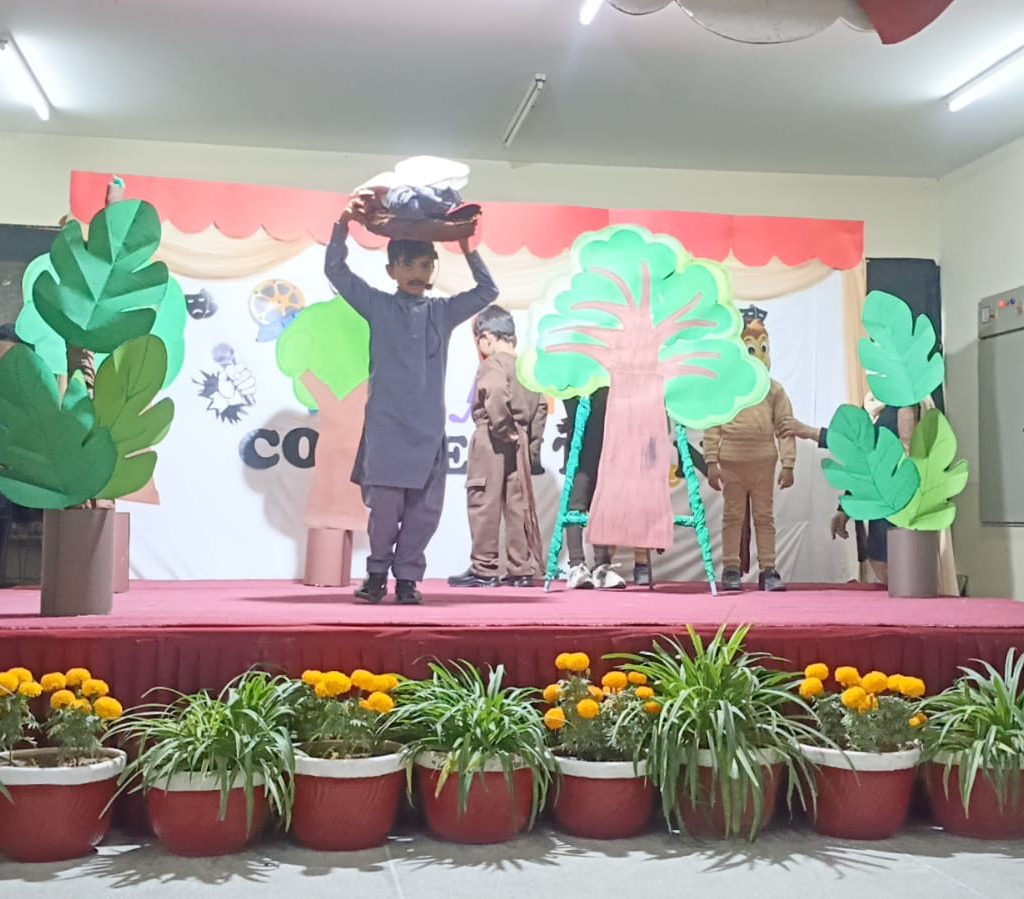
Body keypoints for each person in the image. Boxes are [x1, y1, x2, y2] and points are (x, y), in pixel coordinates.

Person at [325, 205, 499, 605]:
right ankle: (376, 576)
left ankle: (407, 580)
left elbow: (487, 291)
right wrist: (342, 225)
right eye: (409, 265)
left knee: (423, 514)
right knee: (384, 512)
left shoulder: (442, 312)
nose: (418, 273)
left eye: (425, 265)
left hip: (428, 432)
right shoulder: (377, 305)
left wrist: (466, 247)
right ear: (392, 271)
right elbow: (336, 271)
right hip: (386, 430)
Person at [447, 306, 546, 588]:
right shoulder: (527, 368)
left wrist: (503, 429)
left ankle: (484, 568)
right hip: (521, 441)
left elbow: (495, 393)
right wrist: (530, 449)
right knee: (518, 505)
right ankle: (521, 569)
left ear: (487, 338)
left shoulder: (493, 365)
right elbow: (540, 409)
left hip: (492, 437)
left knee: (483, 502)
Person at [704, 313, 795, 592]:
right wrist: (711, 460)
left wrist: (788, 463)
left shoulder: (774, 390)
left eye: (762, 348)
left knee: (764, 518)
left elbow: (785, 426)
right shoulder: (726, 387)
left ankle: (768, 569)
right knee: (732, 517)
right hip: (731, 462)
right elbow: (713, 423)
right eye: (751, 349)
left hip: (763, 463)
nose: (757, 355)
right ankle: (731, 568)